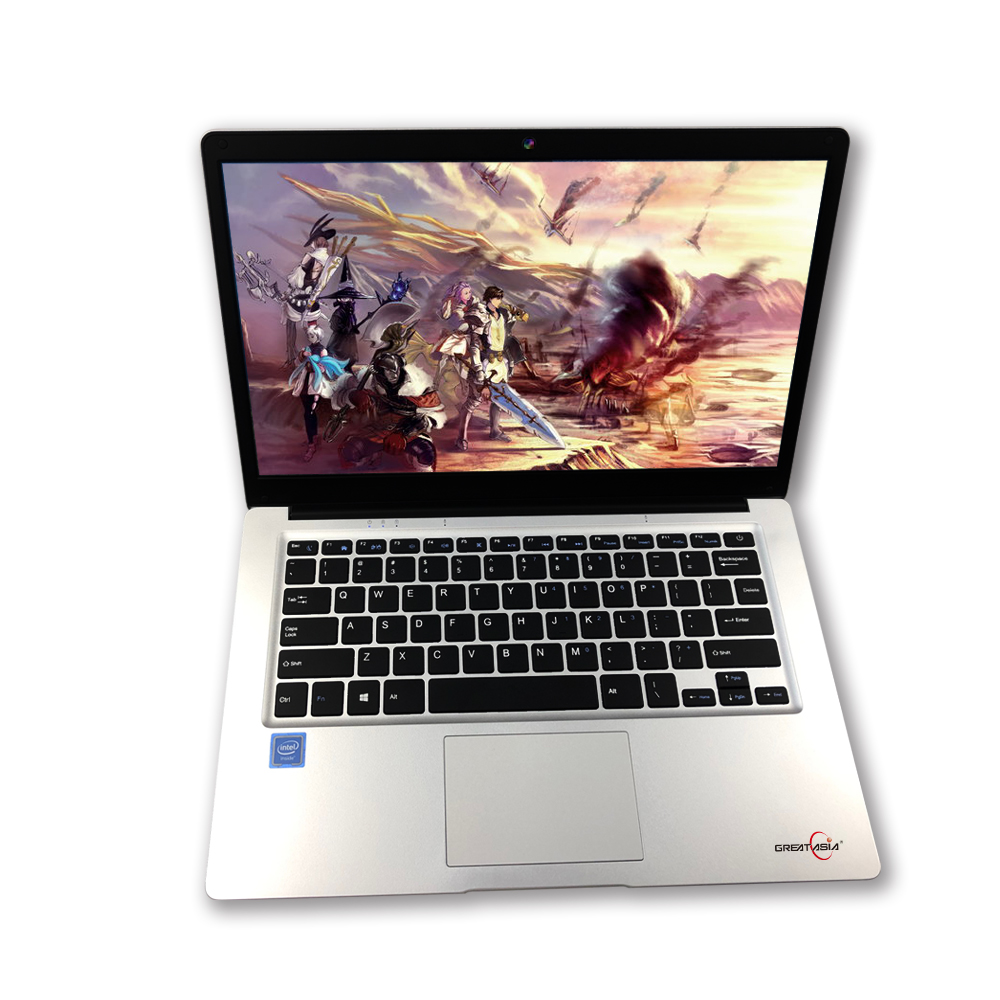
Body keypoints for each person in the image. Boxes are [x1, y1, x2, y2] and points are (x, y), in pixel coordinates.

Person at [331, 323, 445, 472]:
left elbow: (433, 416)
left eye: (393, 373)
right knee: (350, 452)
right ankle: (372, 456)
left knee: (426, 454)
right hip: (376, 430)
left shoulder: (418, 385)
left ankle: (412, 459)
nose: (390, 377)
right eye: (385, 373)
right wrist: (352, 396)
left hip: (409, 432)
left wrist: (404, 433)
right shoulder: (368, 379)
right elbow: (338, 392)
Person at [454, 285, 528, 450]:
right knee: (473, 401)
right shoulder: (480, 314)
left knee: (499, 400)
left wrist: (518, 314)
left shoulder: (503, 314)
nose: (499, 301)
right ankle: (461, 437)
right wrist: (479, 370)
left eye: (500, 298)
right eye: (496, 298)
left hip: (500, 363)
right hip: (485, 362)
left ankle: (495, 431)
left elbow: (513, 325)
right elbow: (474, 345)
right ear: (489, 298)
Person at [288, 327, 349, 462]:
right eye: (309, 335)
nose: (310, 337)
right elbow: (298, 362)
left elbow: (325, 368)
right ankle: (313, 438)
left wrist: (317, 366)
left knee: (309, 413)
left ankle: (312, 444)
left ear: (318, 336)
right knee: (307, 412)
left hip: (315, 384)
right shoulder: (307, 348)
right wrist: (303, 355)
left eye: (312, 335)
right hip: (304, 383)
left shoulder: (322, 350)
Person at [431, 281, 476, 390]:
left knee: (458, 362)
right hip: (454, 335)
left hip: (464, 338)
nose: (469, 295)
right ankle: (436, 381)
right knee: (444, 358)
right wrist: (448, 304)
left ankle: (464, 385)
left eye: (469, 292)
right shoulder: (454, 305)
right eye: (466, 293)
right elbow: (445, 316)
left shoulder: (472, 305)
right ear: (459, 294)